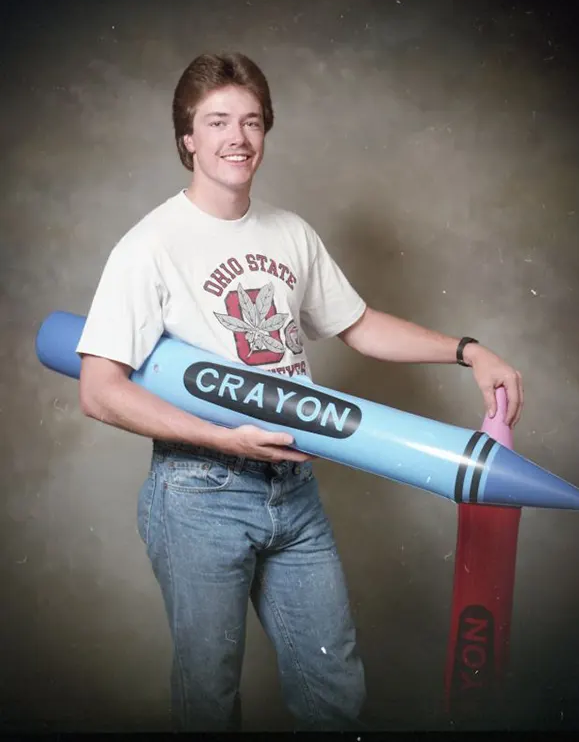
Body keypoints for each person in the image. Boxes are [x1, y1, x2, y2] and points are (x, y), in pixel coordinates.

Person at [75, 52, 524, 732]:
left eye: (252, 121)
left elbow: (360, 326)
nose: (237, 138)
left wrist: (468, 351)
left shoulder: (290, 233)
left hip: (294, 489)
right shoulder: (150, 246)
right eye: (217, 121)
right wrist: (221, 438)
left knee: (334, 694)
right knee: (210, 699)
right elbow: (100, 390)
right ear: (187, 137)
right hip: (201, 491)